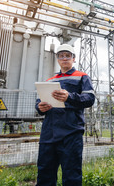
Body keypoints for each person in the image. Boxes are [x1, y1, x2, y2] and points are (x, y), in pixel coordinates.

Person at [35, 43, 95, 186]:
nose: (64, 58)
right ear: (58, 59)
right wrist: (39, 107)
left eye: (68, 55)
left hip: (71, 132)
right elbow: (39, 101)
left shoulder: (82, 77)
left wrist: (70, 97)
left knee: (71, 175)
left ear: (73, 58)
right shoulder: (50, 80)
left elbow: (90, 99)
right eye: (61, 56)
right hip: (49, 133)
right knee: (44, 173)